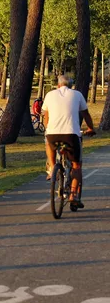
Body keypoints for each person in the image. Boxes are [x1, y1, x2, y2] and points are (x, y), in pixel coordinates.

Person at [42, 74, 95, 209]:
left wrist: (48, 129)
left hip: (53, 135)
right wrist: (90, 128)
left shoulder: (49, 95)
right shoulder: (77, 94)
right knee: (76, 166)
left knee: (48, 141)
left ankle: (53, 167)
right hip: (71, 135)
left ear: (58, 85)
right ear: (71, 86)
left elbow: (45, 117)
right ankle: (73, 195)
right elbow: (86, 114)